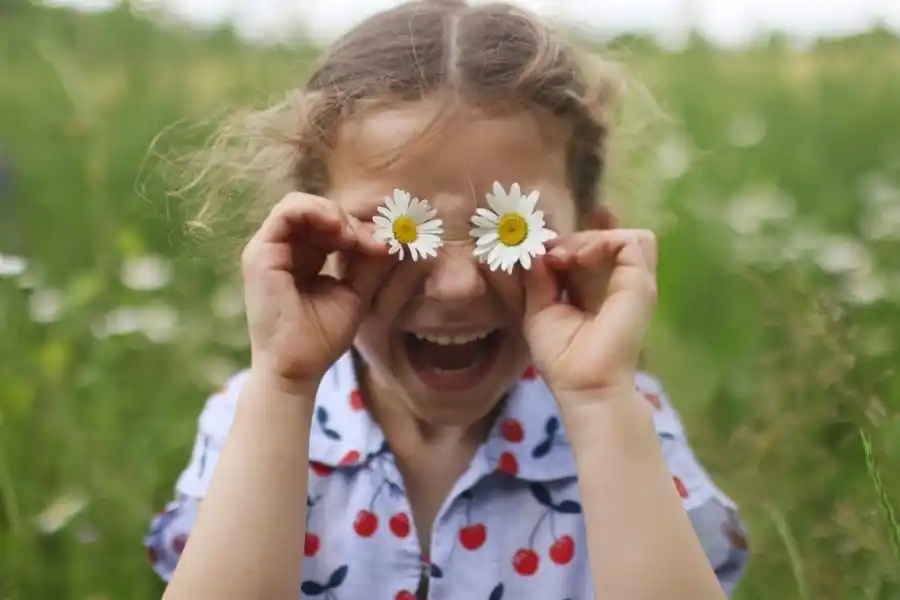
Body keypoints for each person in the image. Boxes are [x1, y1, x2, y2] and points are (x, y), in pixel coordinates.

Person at [145, 1, 749, 599]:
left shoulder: (626, 423)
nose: (457, 286)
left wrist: (598, 401)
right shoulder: (255, 417)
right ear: (316, 237)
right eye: (396, 228)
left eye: (511, 225)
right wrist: (282, 383)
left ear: (588, 242)